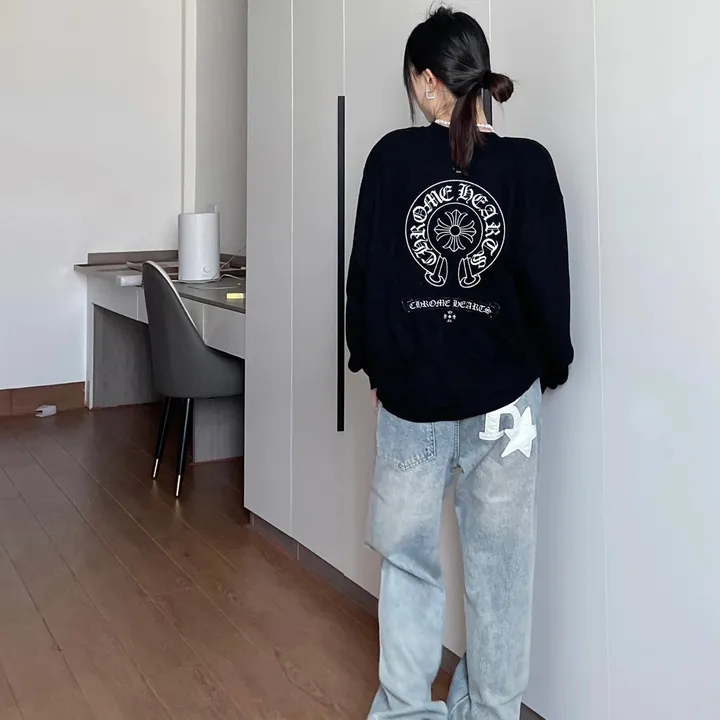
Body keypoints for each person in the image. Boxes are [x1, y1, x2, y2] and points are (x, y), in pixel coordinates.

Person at [346, 7, 573, 720]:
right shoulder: (529, 164)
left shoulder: (390, 158)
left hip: (410, 397)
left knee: (408, 563)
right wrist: (551, 366)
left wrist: (374, 362)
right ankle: (492, 712)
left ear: (425, 81)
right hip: (507, 403)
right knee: (501, 572)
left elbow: (367, 277)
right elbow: (547, 282)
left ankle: (405, 709)